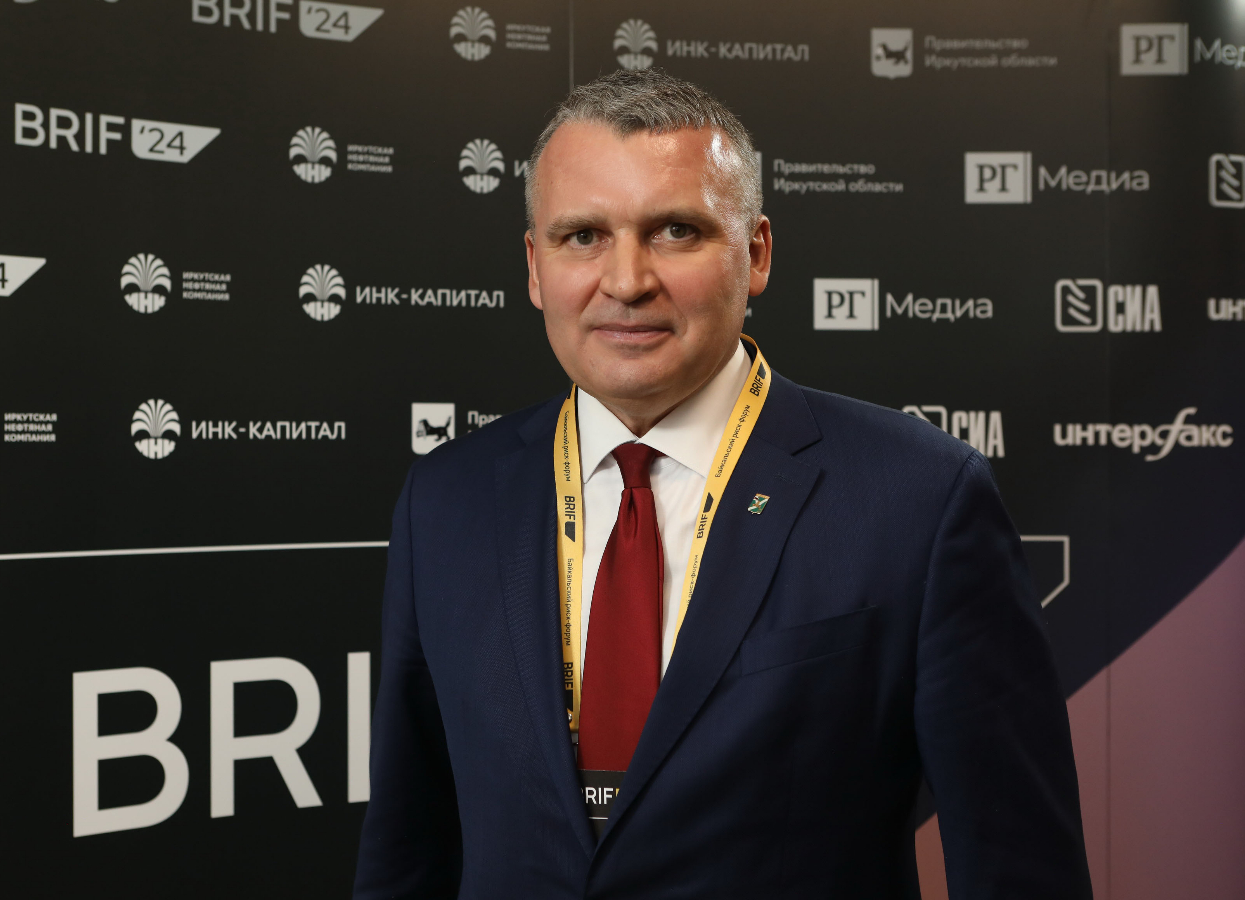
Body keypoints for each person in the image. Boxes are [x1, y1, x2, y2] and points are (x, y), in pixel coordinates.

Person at [355, 69, 1091, 898]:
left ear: (757, 252)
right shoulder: (445, 501)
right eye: (583, 236)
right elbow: (408, 851)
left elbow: (1019, 867)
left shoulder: (919, 499)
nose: (626, 280)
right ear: (534, 266)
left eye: (675, 231)